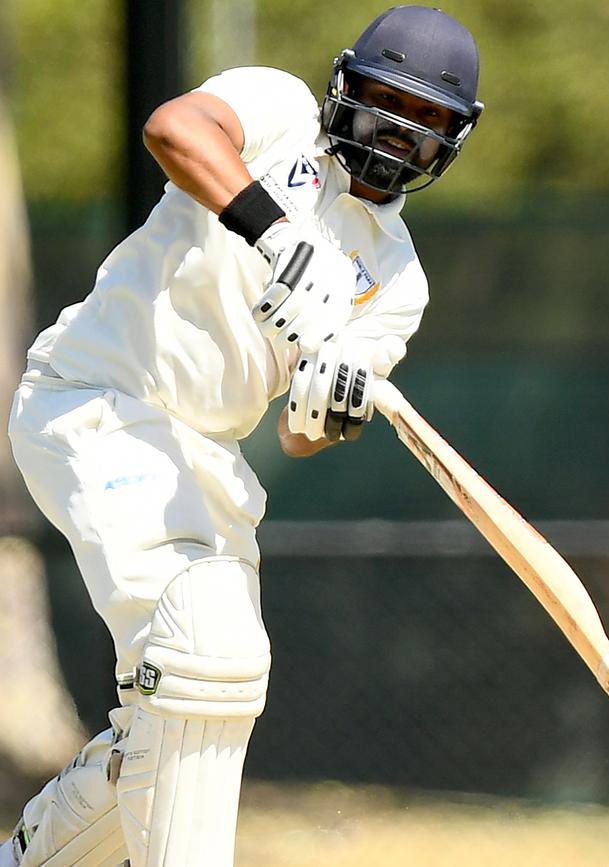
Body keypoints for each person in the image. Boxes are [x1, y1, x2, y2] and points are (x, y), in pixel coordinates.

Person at [1, 5, 482, 866]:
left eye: (425, 128)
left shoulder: (397, 279)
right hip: (97, 399)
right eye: (380, 105)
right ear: (344, 90)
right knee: (203, 647)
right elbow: (174, 128)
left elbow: (301, 437)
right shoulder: (276, 109)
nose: (393, 139)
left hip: (207, 458)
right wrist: (279, 239)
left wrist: (329, 404)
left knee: (185, 708)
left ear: (450, 145)